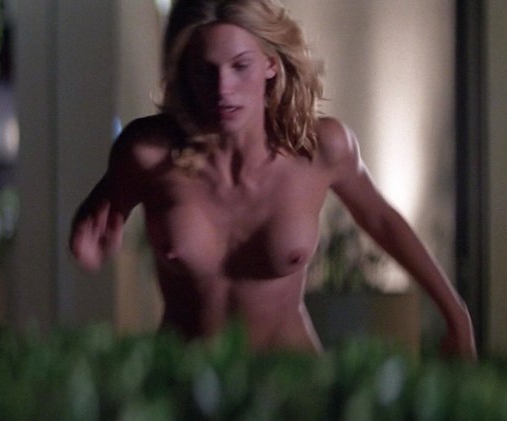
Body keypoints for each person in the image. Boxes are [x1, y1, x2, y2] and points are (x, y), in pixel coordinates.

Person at [69, 0, 476, 358]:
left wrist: (455, 313)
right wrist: (90, 243)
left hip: (292, 379)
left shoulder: (321, 148)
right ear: (185, 73)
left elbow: (382, 221)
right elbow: (97, 227)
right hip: (184, 379)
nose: (223, 88)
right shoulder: (147, 152)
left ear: (270, 64)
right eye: (205, 70)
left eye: (240, 66)